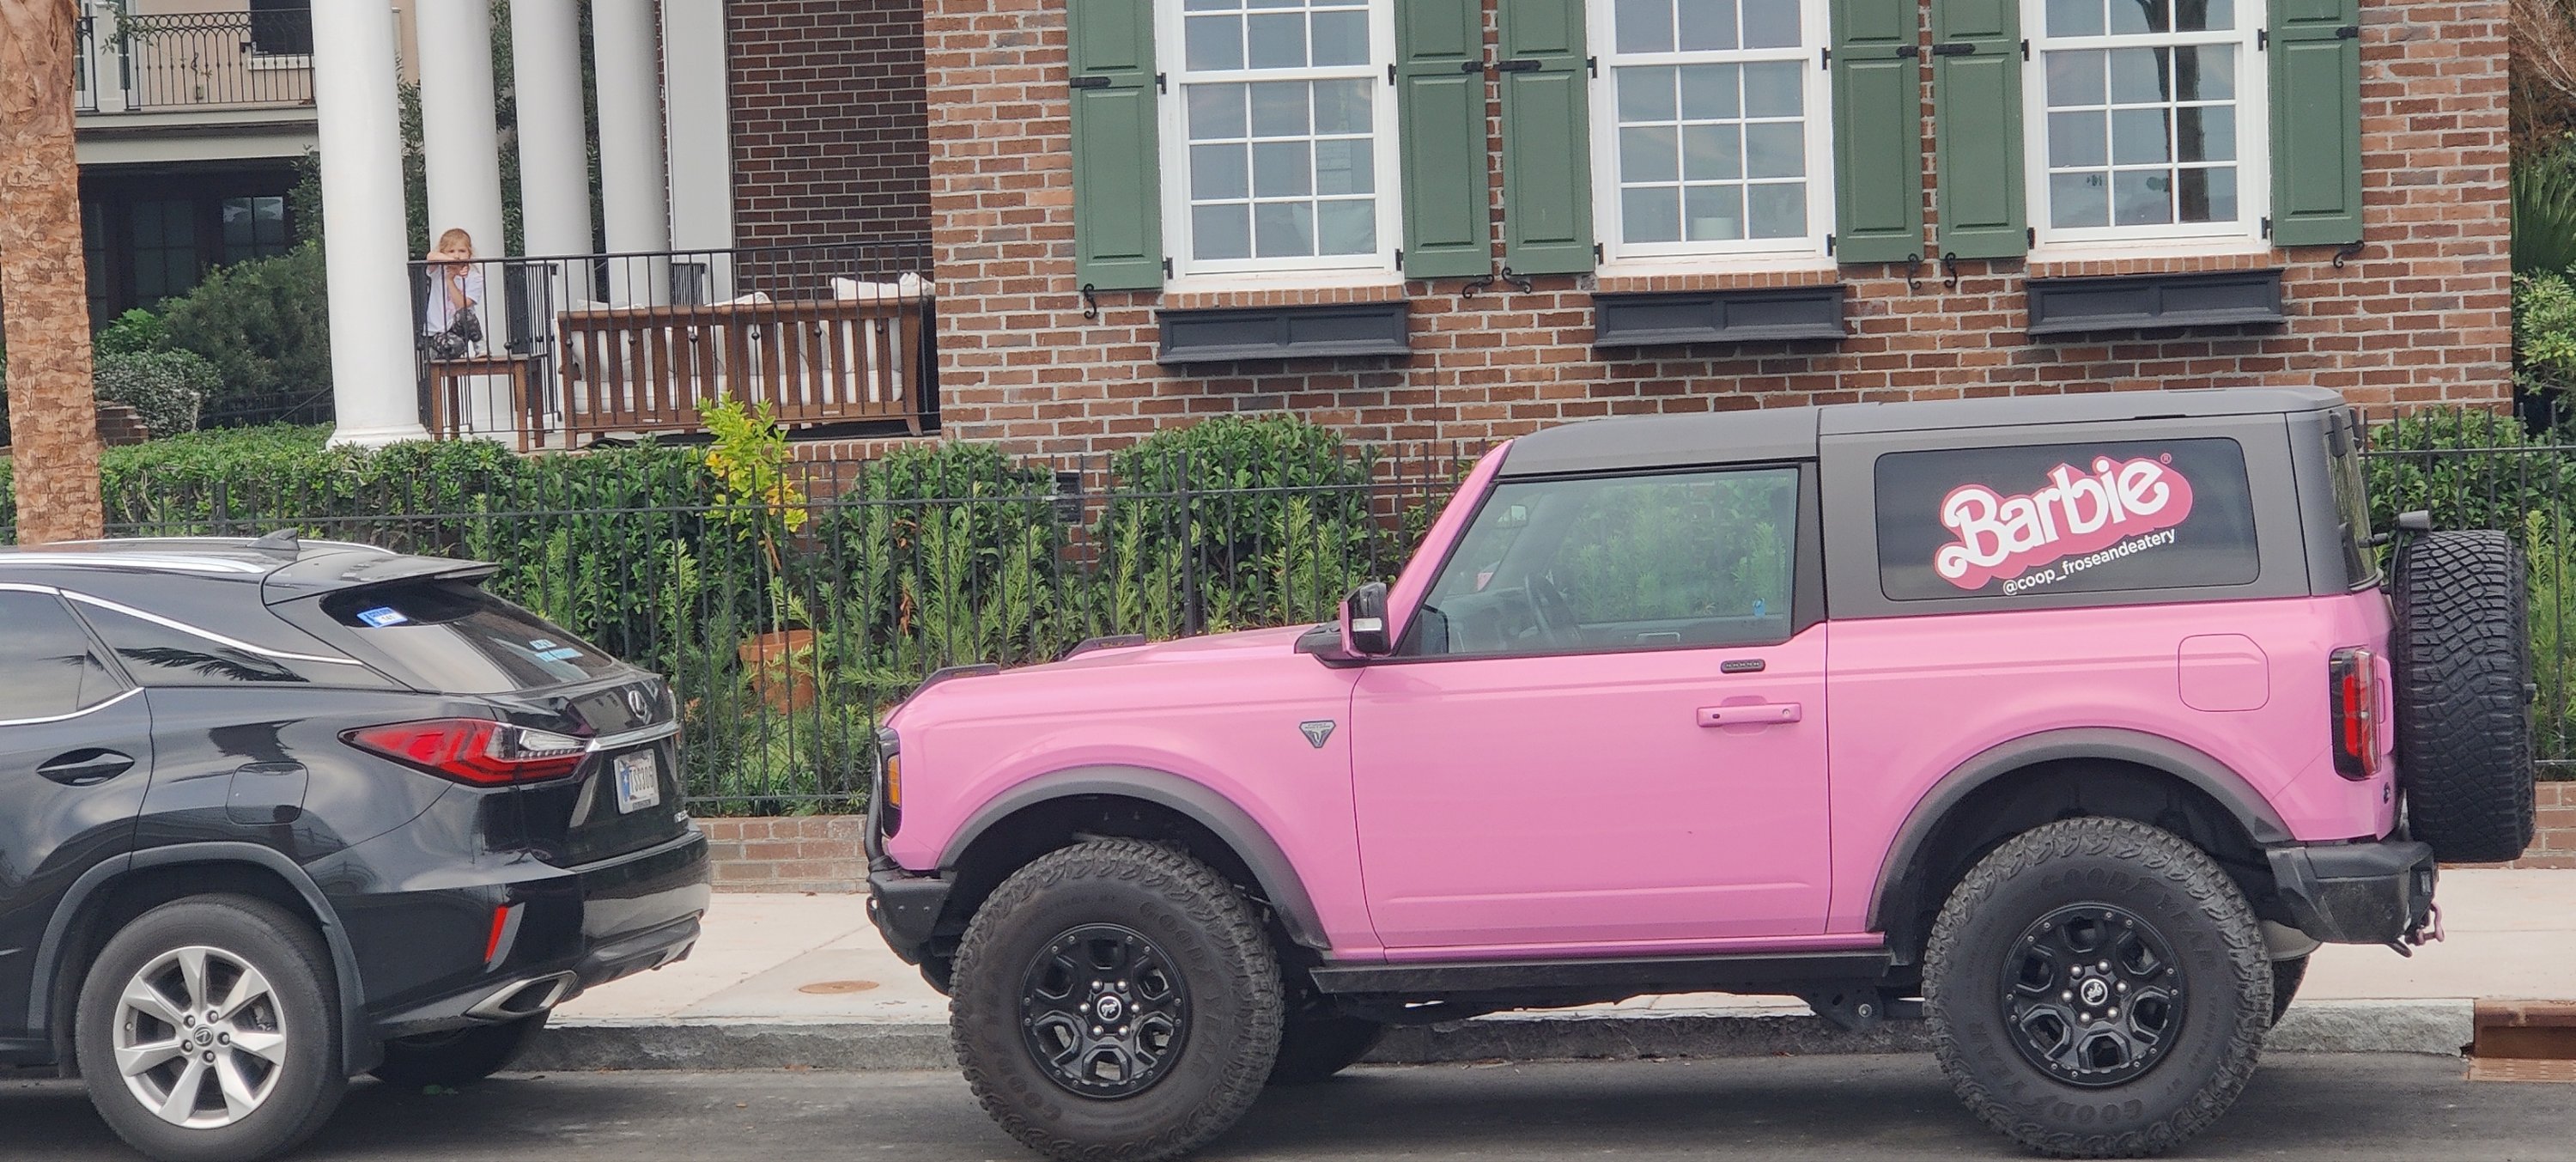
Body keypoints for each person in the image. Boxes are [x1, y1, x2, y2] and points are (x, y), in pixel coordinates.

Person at [422, 228, 486, 359]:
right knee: (456, 347)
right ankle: (437, 352)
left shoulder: (475, 277)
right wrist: (451, 263)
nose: (456, 255)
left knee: (466, 314)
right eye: (451, 251)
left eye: (462, 251)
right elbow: (430, 256)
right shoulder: (438, 270)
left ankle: (480, 346)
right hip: (438, 331)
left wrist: (450, 281)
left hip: (458, 328)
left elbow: (462, 305)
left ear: (469, 253)